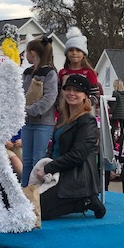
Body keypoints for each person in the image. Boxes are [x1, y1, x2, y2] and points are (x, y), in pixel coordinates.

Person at [31, 74, 105, 220]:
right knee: (28, 205)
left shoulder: (87, 121)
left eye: (77, 90)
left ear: (85, 96)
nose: (71, 93)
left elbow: (78, 155)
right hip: (58, 172)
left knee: (37, 212)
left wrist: (48, 168)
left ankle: (85, 201)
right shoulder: (63, 118)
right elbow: (54, 147)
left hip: (75, 178)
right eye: (68, 89)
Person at [21, 36, 58, 187]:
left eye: (26, 53)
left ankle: (37, 193)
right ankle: (24, 190)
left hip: (43, 122)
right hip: (27, 122)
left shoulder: (50, 73)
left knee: (38, 160)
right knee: (27, 160)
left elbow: (50, 97)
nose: (25, 56)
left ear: (32, 53)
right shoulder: (27, 72)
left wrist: (30, 110)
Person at [58, 27, 99, 100]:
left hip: (83, 110)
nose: (74, 53)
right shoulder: (62, 73)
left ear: (83, 54)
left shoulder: (89, 73)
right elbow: (57, 94)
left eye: (78, 50)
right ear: (66, 53)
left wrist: (86, 104)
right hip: (63, 110)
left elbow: (96, 96)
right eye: (71, 50)